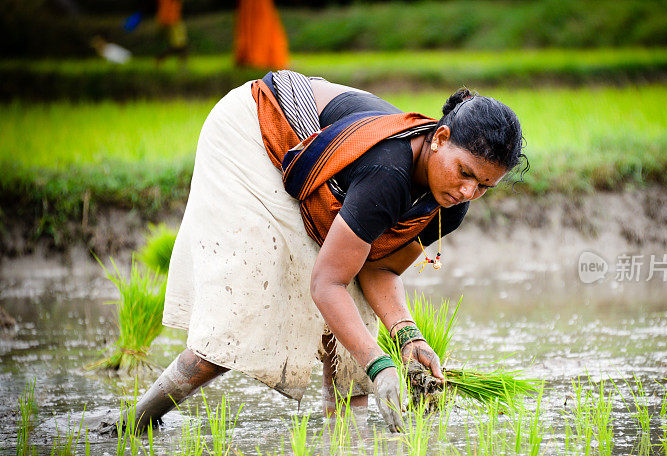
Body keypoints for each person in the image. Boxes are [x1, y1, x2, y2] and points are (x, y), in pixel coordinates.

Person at [126, 70, 525, 434]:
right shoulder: (388, 172)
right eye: (465, 173)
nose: (468, 192)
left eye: (484, 186)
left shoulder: (449, 206)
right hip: (258, 130)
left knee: (357, 312)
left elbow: (380, 268)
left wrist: (409, 338)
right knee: (246, 306)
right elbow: (327, 282)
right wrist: (380, 363)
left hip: (329, 167)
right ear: (439, 139)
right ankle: (135, 422)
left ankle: (346, 449)